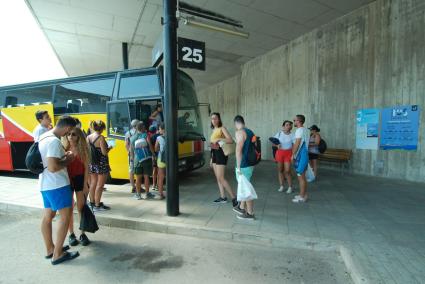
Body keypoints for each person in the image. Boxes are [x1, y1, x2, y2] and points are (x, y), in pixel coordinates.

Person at [38, 115, 79, 265]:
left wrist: (63, 157)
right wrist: (69, 158)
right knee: (65, 217)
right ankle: (58, 254)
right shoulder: (54, 141)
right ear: (67, 128)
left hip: (44, 184)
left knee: (47, 217)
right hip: (57, 184)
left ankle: (50, 249)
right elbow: (53, 167)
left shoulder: (43, 137)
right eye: (70, 131)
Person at [62, 127, 91, 247]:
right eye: (68, 134)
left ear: (79, 136)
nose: (70, 136)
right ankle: (71, 234)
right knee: (69, 208)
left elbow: (86, 169)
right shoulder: (63, 148)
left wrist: (85, 184)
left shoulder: (83, 149)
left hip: (79, 179)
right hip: (67, 180)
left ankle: (82, 233)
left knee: (80, 207)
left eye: (73, 134)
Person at [209, 112, 238, 207]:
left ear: (219, 119)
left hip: (221, 154)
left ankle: (234, 198)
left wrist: (220, 139)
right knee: (218, 178)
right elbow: (213, 145)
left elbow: (230, 140)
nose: (213, 120)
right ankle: (223, 197)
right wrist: (211, 158)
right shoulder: (214, 130)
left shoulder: (222, 128)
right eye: (212, 118)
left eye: (215, 118)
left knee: (221, 177)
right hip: (214, 154)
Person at [232, 115, 256, 220]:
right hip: (250, 163)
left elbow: (238, 151)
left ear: (236, 123)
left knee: (246, 189)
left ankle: (250, 213)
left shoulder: (239, 132)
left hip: (244, 164)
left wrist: (238, 167)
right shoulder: (250, 132)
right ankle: (241, 207)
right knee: (244, 186)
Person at [87, 120, 111, 211]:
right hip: (101, 163)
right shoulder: (101, 138)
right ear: (102, 128)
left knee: (93, 183)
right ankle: (97, 205)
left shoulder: (88, 137)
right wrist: (110, 148)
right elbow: (104, 152)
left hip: (92, 163)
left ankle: (92, 202)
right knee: (100, 185)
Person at [130, 121, 156, 200]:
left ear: (136, 128)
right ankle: (148, 194)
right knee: (146, 177)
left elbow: (131, 151)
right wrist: (153, 155)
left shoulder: (132, 138)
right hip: (146, 159)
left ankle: (138, 195)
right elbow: (150, 146)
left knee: (138, 178)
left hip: (137, 160)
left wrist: (133, 159)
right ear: (143, 127)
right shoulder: (145, 135)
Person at [272, 120, 294, 194]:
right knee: (280, 170)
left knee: (287, 171)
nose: (288, 126)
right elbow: (273, 143)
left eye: (290, 125)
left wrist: (293, 155)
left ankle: (290, 187)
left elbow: (294, 146)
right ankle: (281, 186)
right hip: (280, 153)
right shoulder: (279, 134)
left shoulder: (292, 135)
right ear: (283, 126)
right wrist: (276, 145)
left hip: (288, 153)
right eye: (287, 125)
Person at [292, 114, 310, 203]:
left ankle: (302, 196)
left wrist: (292, 154)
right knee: (302, 176)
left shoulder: (299, 130)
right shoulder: (306, 130)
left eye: (294, 120)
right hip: (304, 155)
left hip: (301, 156)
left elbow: (297, 143)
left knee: (301, 177)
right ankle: (303, 194)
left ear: (299, 121)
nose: (293, 122)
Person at [125, 119, 139, 193]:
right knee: (138, 169)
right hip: (138, 153)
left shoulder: (128, 133)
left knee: (131, 170)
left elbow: (126, 144)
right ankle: (137, 186)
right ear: (136, 125)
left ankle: (133, 186)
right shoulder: (138, 132)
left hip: (131, 154)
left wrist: (128, 151)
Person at [155, 123, 166, 200]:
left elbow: (156, 149)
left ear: (163, 129)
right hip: (170, 158)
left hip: (161, 158)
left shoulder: (159, 138)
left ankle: (160, 194)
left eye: (159, 129)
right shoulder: (172, 136)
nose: (159, 130)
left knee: (160, 177)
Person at [149, 125, 160, 191]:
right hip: (159, 155)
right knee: (159, 170)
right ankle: (158, 185)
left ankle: (153, 185)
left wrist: (153, 155)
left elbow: (150, 147)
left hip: (153, 155)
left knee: (154, 170)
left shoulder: (150, 137)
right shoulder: (159, 136)